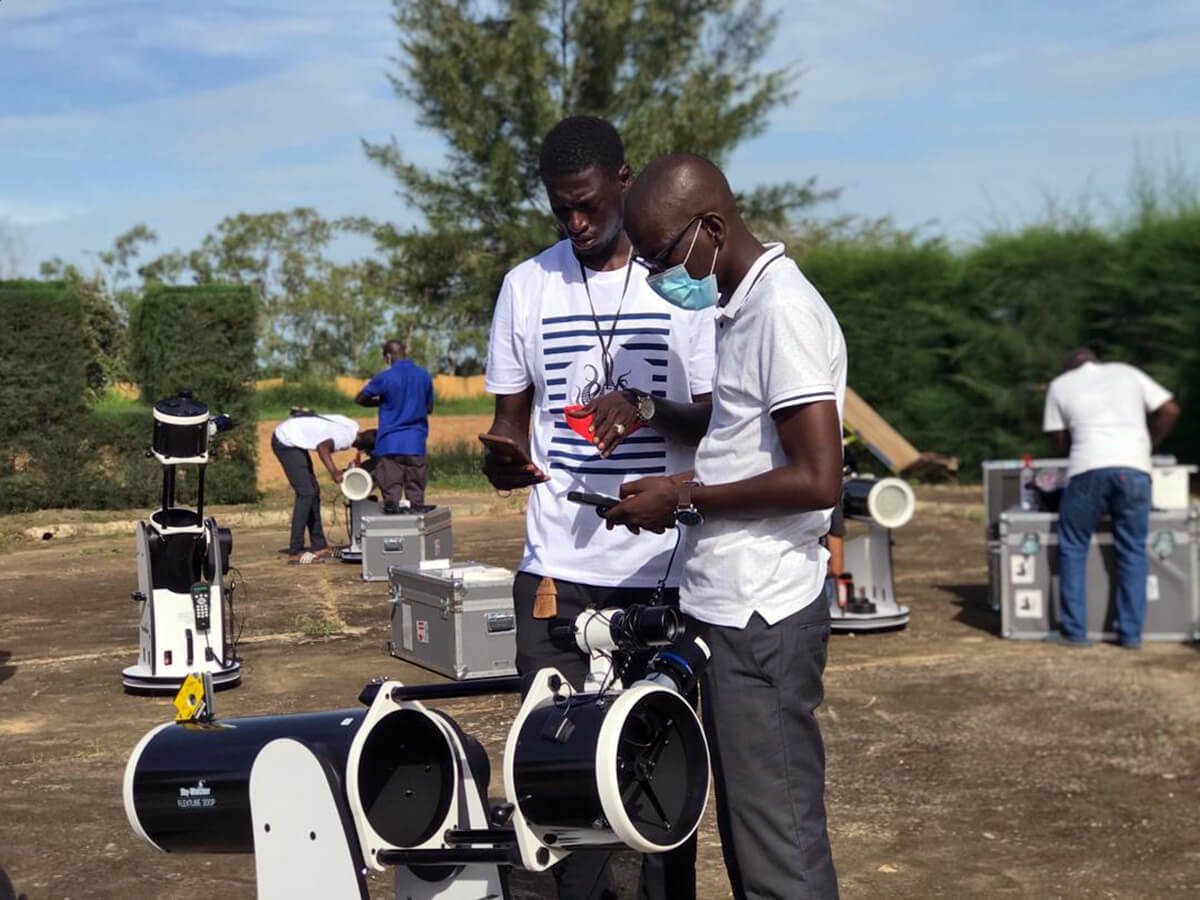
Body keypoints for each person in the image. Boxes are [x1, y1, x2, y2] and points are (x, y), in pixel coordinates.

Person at [601, 152, 845, 900]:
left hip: (762, 612)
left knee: (780, 852)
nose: (656, 277)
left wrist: (684, 498)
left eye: (663, 256)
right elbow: (742, 435)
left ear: (711, 226)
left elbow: (817, 479)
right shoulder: (739, 306)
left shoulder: (782, 311)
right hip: (733, 608)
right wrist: (667, 461)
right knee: (751, 840)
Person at [482, 116, 714, 900]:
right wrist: (500, 458)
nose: (575, 225)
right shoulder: (527, 286)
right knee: (561, 782)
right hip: (557, 573)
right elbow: (510, 421)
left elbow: (718, 420)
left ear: (624, 180)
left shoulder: (683, 286)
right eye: (559, 211)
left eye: (586, 205)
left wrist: (645, 405)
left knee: (661, 786)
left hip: (664, 574)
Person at [1042, 348, 1181, 649]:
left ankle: (1074, 633)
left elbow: (1058, 439)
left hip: (1087, 470)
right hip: (1135, 470)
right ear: (1096, 362)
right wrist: (1148, 445)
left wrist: (1079, 451)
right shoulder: (1127, 371)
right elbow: (1170, 410)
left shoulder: (1060, 385)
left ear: (1070, 368)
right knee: (1132, 549)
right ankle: (1130, 635)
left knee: (1074, 546)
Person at [272, 412, 376, 564]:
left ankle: (319, 546)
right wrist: (334, 471)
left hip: (292, 433)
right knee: (306, 493)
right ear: (363, 449)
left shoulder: (352, 425)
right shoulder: (346, 439)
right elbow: (322, 448)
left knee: (313, 491)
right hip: (285, 441)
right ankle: (295, 552)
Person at [356, 340, 435, 508]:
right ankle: (417, 523)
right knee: (417, 496)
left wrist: (384, 402)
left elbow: (360, 399)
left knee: (391, 497)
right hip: (415, 443)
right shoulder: (424, 376)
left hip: (390, 444)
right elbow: (429, 408)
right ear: (405, 352)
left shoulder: (384, 377)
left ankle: (393, 528)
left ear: (388, 357)